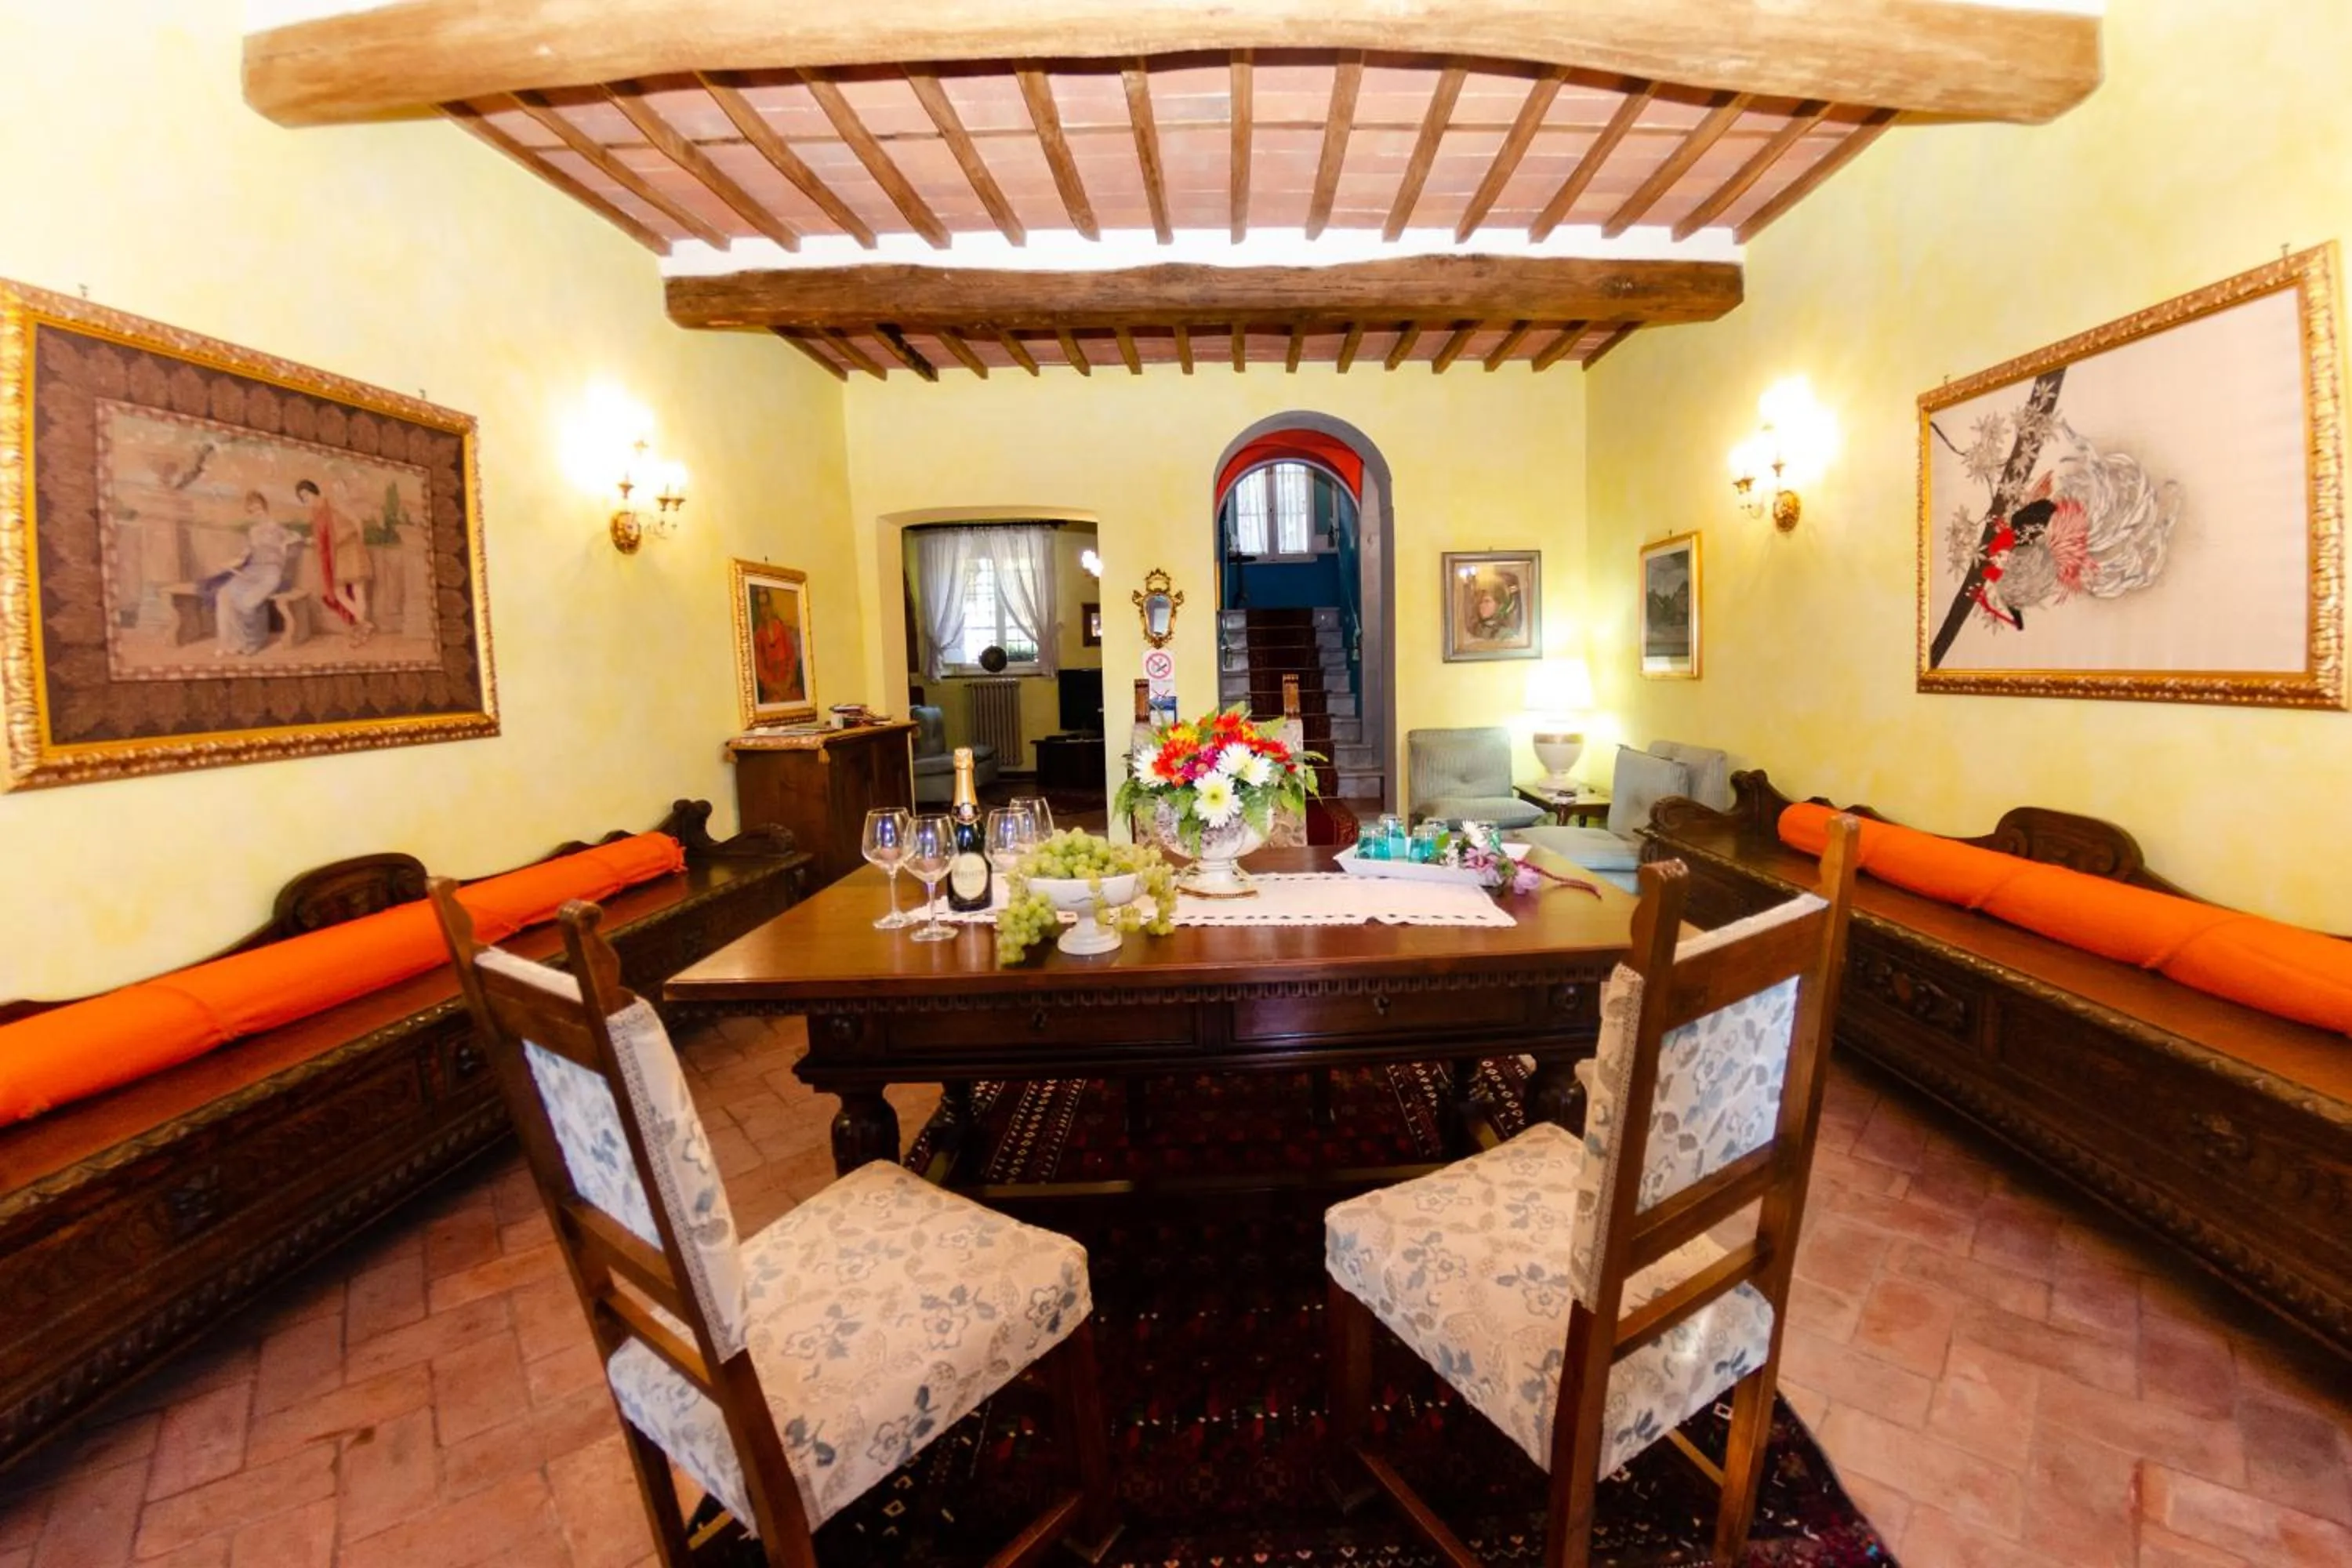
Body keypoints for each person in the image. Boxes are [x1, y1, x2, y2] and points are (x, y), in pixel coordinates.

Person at [207, 490, 294, 657]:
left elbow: (293, 542)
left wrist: (285, 549)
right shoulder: (253, 531)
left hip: (270, 573)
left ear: (265, 507)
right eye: (252, 511)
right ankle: (229, 643)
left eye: (258, 508)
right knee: (224, 594)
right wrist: (228, 564)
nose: (257, 513)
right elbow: (244, 556)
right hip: (252, 571)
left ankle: (252, 642)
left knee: (247, 602)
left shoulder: (276, 528)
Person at [297, 477, 374, 644]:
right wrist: (313, 541)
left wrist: (360, 545)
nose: (306, 499)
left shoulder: (331, 502)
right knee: (339, 592)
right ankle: (363, 624)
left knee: (357, 590)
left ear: (314, 492)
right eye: (302, 498)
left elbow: (356, 521)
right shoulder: (315, 514)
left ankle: (362, 629)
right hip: (338, 553)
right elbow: (326, 538)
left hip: (350, 547)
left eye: (307, 495)